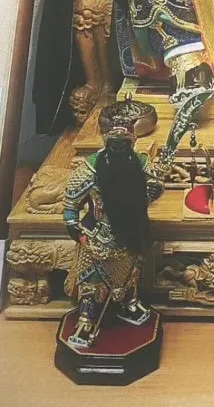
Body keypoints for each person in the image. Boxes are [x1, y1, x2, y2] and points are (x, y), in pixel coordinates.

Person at [62, 108, 163, 348]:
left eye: (124, 140)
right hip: (98, 236)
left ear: (132, 140)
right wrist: (74, 228)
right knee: (92, 282)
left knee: (131, 274)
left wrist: (155, 187)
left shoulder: (140, 162)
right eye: (115, 140)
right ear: (105, 140)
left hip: (132, 230)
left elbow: (152, 191)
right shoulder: (90, 168)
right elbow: (71, 201)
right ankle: (87, 319)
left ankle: (129, 304)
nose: (119, 144)